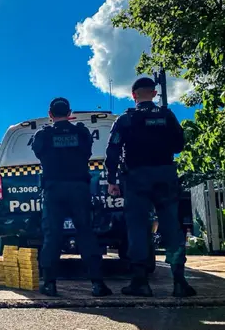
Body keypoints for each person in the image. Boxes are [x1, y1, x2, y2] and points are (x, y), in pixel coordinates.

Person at [105, 77, 196, 297]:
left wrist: (112, 180)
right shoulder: (167, 116)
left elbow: (113, 151)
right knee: (171, 227)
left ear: (133, 94)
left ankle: (140, 281)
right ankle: (179, 281)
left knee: (137, 227)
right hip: (165, 175)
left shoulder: (126, 119)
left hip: (137, 178)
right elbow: (178, 145)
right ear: (154, 94)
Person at [32, 98, 112, 297]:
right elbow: (87, 152)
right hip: (79, 188)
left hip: (54, 189)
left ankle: (50, 284)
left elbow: (38, 152)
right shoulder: (81, 132)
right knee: (86, 233)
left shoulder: (43, 135)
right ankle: (97, 284)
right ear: (70, 113)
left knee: (52, 236)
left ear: (50, 114)